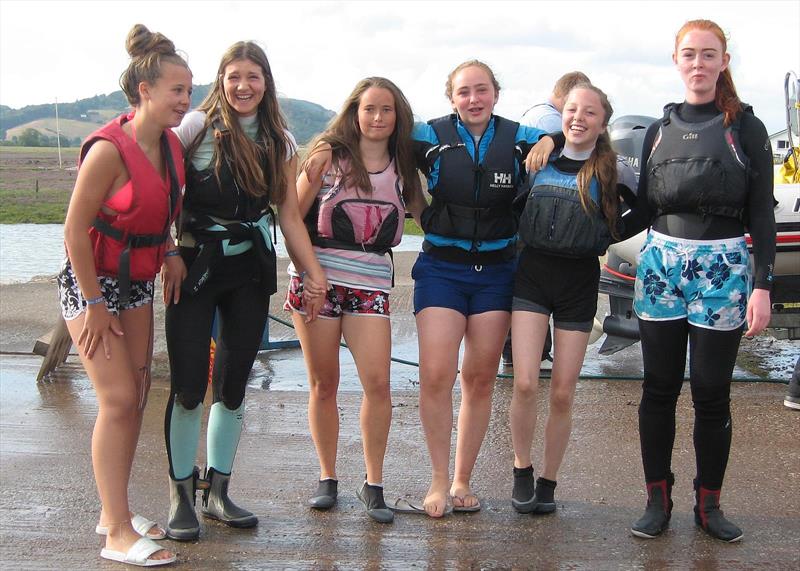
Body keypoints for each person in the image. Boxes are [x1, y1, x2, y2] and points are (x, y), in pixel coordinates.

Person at [162, 41, 327, 541]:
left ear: (266, 82)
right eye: (233, 76)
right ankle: (182, 497)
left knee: (232, 387)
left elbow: (289, 215)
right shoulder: (194, 128)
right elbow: (168, 196)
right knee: (190, 387)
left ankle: (219, 492)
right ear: (221, 80)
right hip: (194, 269)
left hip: (250, 273)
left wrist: (312, 273)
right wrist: (168, 251)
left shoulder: (281, 140)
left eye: (252, 76)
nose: (242, 86)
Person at [622, 19, 775, 542]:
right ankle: (656, 499)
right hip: (662, 263)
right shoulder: (658, 131)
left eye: (709, 55)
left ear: (724, 62)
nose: (698, 64)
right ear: (675, 61)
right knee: (658, 388)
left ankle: (709, 503)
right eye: (689, 55)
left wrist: (762, 285)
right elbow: (642, 208)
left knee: (711, 391)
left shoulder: (745, 128)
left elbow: (762, 215)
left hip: (724, 268)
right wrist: (592, 221)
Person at [58, 23, 188, 567]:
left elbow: (159, 211)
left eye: (189, 90)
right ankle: (114, 531)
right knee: (115, 400)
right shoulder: (108, 150)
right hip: (91, 284)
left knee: (135, 394)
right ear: (145, 91)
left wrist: (174, 250)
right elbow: (73, 231)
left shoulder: (172, 145)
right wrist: (92, 303)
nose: (185, 100)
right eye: (177, 90)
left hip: (137, 282)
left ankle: (119, 508)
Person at [287, 77, 426, 523]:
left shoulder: (403, 166)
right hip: (317, 282)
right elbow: (290, 216)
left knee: (378, 384)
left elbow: (426, 217)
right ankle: (327, 478)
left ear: (397, 117)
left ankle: (373, 483)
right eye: (370, 109)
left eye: (387, 110)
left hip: (370, 283)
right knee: (323, 383)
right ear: (355, 112)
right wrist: (312, 275)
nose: (378, 118)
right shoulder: (327, 156)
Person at [509, 83, 637, 515]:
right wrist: (551, 139)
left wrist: (612, 232)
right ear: (561, 113)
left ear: (603, 123)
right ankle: (521, 469)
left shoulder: (611, 171)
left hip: (579, 284)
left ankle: (548, 480)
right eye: (572, 110)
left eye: (590, 113)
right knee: (525, 382)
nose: (578, 118)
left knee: (562, 393)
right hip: (531, 277)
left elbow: (647, 207)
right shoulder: (537, 160)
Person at [504, 70, 592, 367]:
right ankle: (529, 353)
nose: (579, 117)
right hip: (538, 234)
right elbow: (571, 143)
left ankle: (524, 352)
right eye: (575, 107)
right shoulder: (548, 121)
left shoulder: (536, 115)